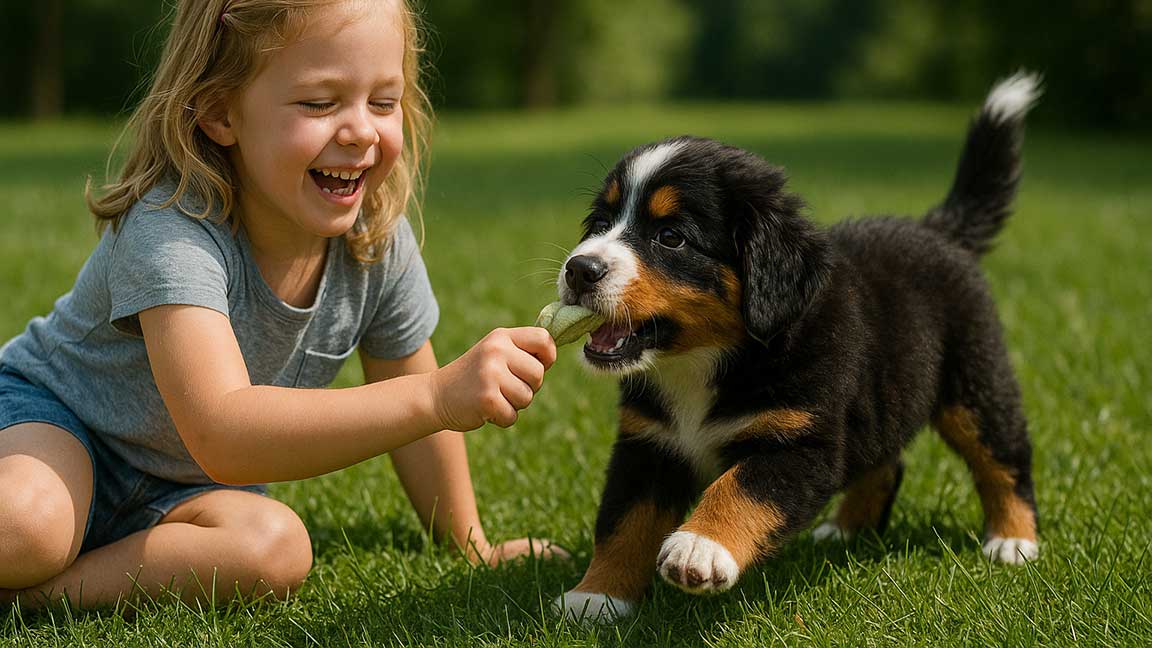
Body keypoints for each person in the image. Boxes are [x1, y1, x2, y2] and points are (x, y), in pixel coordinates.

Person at [0, 0, 560, 610]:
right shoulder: (172, 228)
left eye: (383, 101)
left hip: (184, 490)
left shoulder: (374, 241)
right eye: (320, 103)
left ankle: (26, 600)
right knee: (30, 526)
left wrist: (469, 541)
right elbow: (224, 432)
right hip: (61, 424)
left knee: (275, 547)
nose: (361, 131)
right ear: (219, 111)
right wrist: (437, 397)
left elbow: (411, 392)